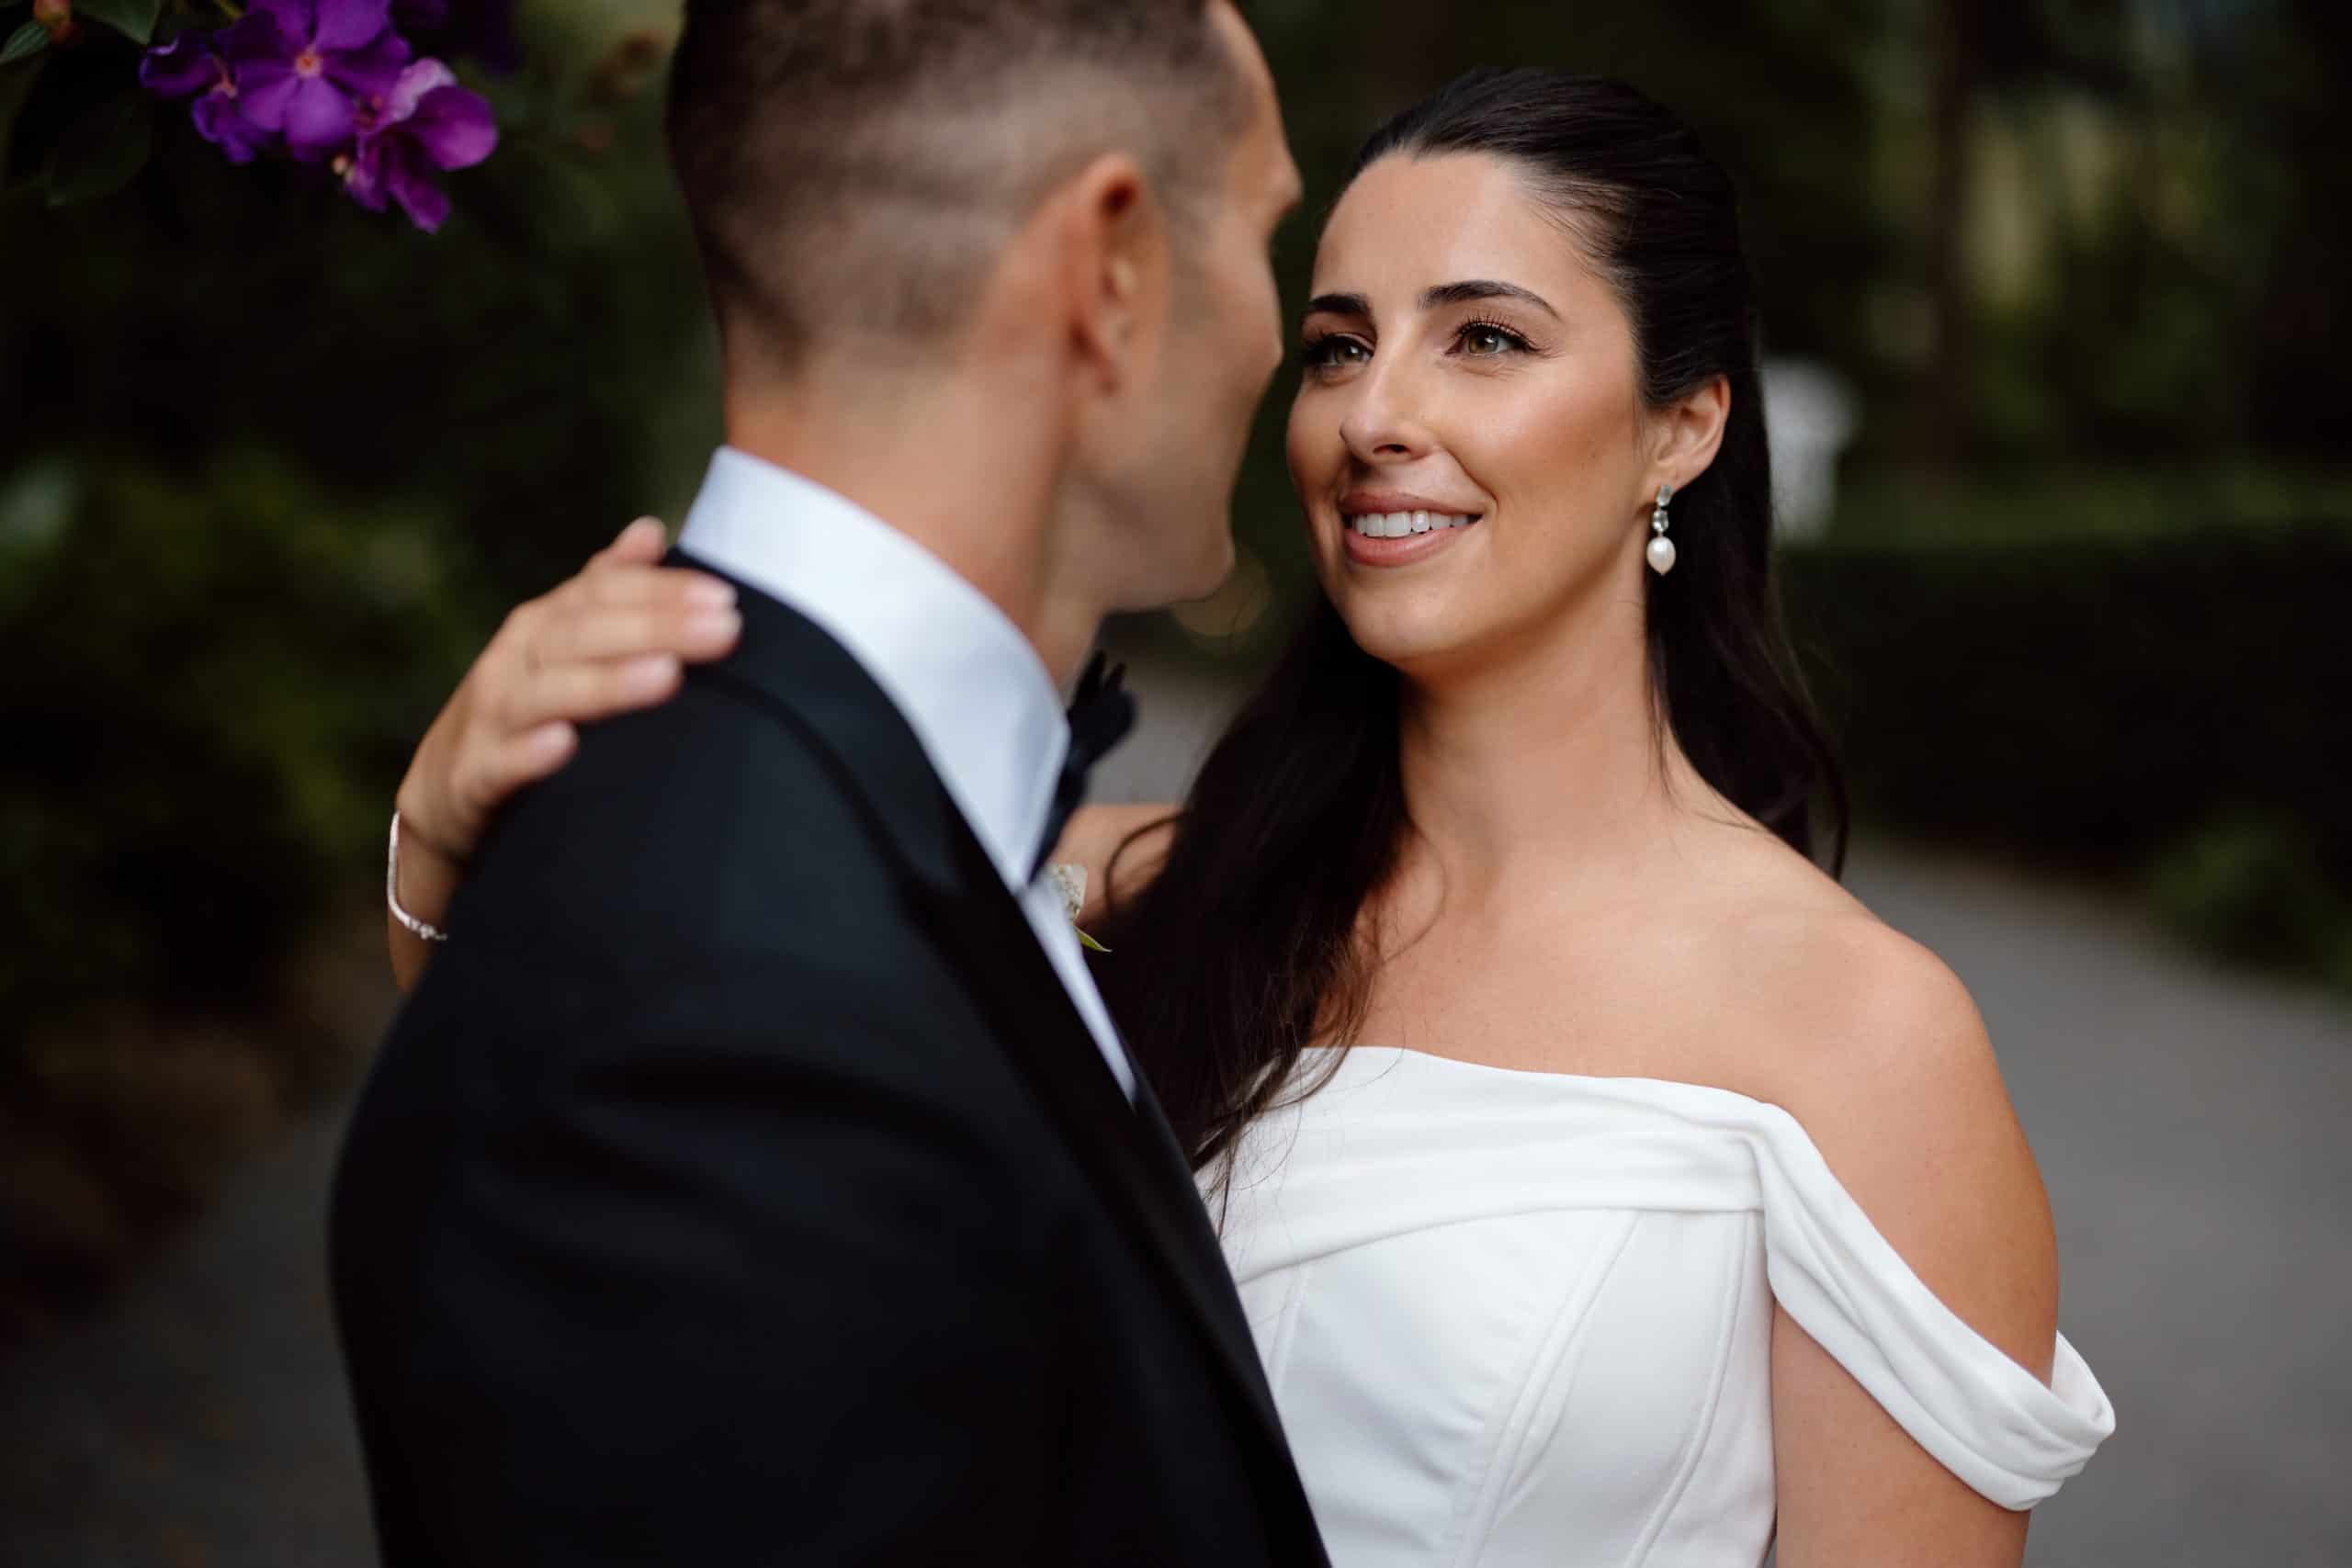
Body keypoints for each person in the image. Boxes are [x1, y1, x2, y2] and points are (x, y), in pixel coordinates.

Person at [385, 68, 2116, 1568]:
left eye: (1486, 339)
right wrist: (448, 818)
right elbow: (615, 1136)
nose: (1376, 419)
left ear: (1682, 423)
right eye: (1337, 347)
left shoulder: (1864, 1042)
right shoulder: (1134, 889)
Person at [332, 2, 1330, 1563]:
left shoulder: (842, 815)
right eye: (1271, 234)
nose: (1286, 340)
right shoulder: (713, 1028)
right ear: (1113, 271)